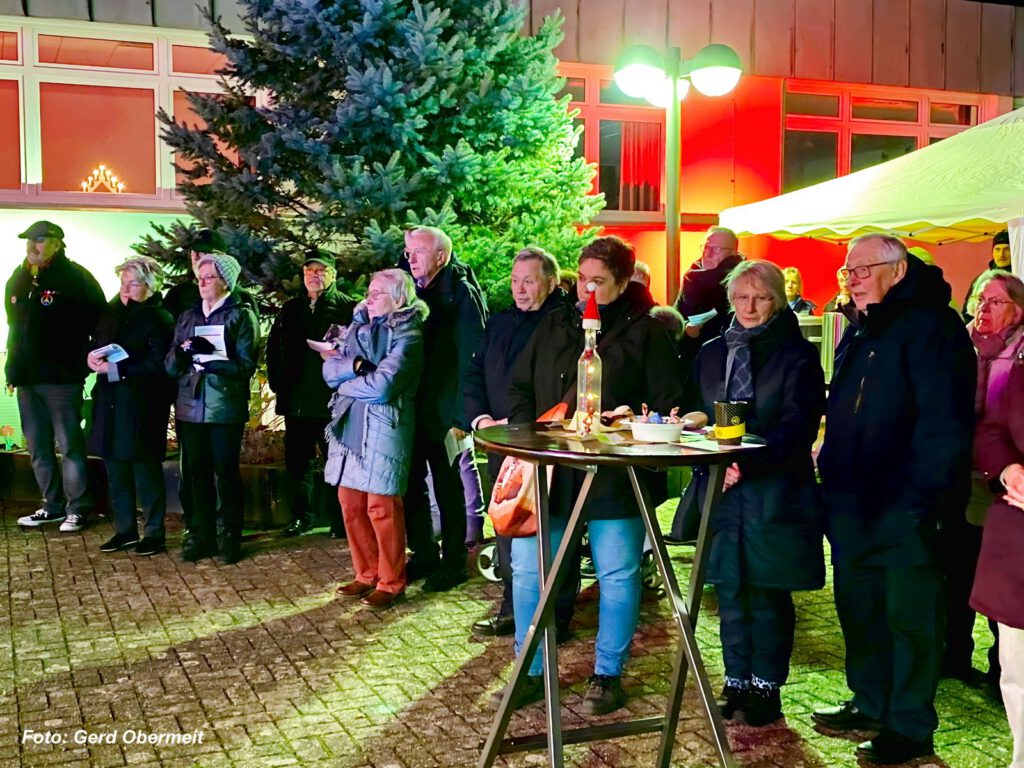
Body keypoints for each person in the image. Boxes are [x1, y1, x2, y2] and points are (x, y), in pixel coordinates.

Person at [502, 235, 685, 714]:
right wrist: (530, 440)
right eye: (582, 279)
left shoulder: (648, 331)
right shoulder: (556, 324)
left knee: (617, 573)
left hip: (615, 476)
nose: (587, 290)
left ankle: (607, 673)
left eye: (598, 282)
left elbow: (668, 405)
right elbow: (520, 385)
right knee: (528, 570)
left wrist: (630, 420)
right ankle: (530, 667)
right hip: (551, 472)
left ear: (624, 282)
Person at [813, 235, 975, 764]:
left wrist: (920, 500)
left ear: (899, 271)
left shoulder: (931, 326)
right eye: (847, 270)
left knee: (910, 620)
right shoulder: (861, 329)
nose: (852, 277)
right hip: (852, 503)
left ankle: (909, 725)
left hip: (905, 505)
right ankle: (870, 700)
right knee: (859, 609)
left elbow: (943, 424)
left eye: (863, 268)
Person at [687, 261, 825, 726]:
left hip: (775, 490)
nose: (749, 306)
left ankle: (767, 685)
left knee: (766, 594)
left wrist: (743, 461)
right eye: (741, 297)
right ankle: (736, 681)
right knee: (729, 591)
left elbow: (798, 428)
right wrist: (695, 433)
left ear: (778, 300)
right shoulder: (709, 352)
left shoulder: (797, 355)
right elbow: (697, 410)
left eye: (760, 297)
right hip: (721, 492)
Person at [463, 246, 573, 640]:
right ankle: (513, 607)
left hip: (543, 443)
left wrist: (523, 422)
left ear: (550, 282)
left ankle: (556, 614)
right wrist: (481, 419)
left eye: (529, 280)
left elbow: (565, 386)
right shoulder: (500, 322)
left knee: (552, 530)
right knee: (508, 527)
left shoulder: (564, 324)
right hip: (499, 441)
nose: (520, 289)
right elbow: (473, 372)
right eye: (514, 281)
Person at [324, 269, 427, 608]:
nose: (369, 298)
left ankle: (391, 580)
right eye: (369, 291)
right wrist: (352, 371)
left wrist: (345, 381)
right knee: (350, 503)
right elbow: (328, 370)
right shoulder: (355, 327)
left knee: (381, 507)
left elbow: (384, 386)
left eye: (378, 293)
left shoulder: (409, 334)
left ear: (398, 298)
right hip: (350, 425)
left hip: (386, 426)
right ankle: (365, 573)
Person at [945, 270, 1024, 685]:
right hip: (960, 472)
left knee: (995, 573)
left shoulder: (1018, 353)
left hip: (997, 482)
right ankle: (954, 653)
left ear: (1018, 309)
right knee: (956, 567)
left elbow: (995, 421)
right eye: (978, 299)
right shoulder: (964, 345)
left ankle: (1000, 666)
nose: (982, 309)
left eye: (994, 301)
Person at [400, 226, 487, 592]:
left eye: (418, 252)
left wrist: (461, 415)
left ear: (441, 256)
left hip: (446, 411)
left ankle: (453, 561)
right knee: (411, 486)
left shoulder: (460, 295)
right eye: (408, 252)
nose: (411, 258)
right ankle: (423, 553)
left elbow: (473, 355)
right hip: (414, 407)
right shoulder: (410, 292)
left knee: (449, 488)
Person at [8, 221, 105, 532]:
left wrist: (81, 359)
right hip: (27, 378)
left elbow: (99, 320)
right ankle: (51, 506)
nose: (31, 245)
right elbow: (15, 330)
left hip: (61, 379)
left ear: (57, 243)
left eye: (38, 240)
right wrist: (12, 369)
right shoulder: (19, 278)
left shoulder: (75, 277)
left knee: (70, 445)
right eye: (28, 240)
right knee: (37, 446)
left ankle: (79, 508)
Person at [164, 228, 259, 543]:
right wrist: (183, 351)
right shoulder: (188, 316)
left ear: (225, 282)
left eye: (209, 276)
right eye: (200, 276)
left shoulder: (241, 315)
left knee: (226, 473)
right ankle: (201, 534)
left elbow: (246, 366)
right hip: (190, 406)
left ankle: (230, 534)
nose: (201, 281)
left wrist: (211, 359)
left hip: (224, 407)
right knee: (197, 474)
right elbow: (170, 364)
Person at [87, 256, 175, 556]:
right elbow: (97, 342)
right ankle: (124, 530)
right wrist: (91, 358)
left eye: (133, 283)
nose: (125, 289)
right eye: (123, 283)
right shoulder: (111, 312)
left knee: (145, 470)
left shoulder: (159, 318)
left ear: (150, 286)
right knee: (116, 469)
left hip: (142, 404)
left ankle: (154, 532)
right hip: (110, 401)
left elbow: (157, 364)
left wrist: (115, 371)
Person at [971, 274, 1024, 768]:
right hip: (1016, 538)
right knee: (1016, 663)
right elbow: (990, 429)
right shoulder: (1016, 366)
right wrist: (1006, 467)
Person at [266, 249, 354, 538]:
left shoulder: (347, 308)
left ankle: (338, 519)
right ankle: (302, 516)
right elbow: (274, 348)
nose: (314, 276)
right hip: (296, 399)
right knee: (298, 463)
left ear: (333, 275)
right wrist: (278, 383)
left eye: (321, 270)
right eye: (309, 271)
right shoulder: (290, 309)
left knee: (335, 460)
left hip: (330, 399)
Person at [673, 226, 743, 366]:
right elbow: (676, 316)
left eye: (716, 249)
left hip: (727, 360)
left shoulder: (742, 279)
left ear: (733, 253)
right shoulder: (691, 277)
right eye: (706, 247)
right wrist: (686, 328)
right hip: (691, 359)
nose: (708, 253)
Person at [963, 229, 1011, 321]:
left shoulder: (1020, 276)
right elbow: (968, 312)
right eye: (997, 249)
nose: (1001, 254)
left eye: (1006, 249)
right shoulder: (981, 279)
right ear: (992, 252)